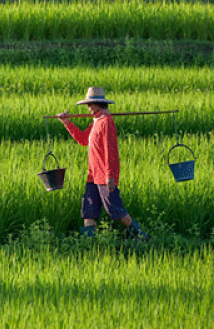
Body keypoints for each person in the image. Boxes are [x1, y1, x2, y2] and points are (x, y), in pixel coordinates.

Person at [57, 87, 148, 240]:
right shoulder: (96, 122)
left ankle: (141, 236)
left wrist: (110, 176)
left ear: (97, 105)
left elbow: (110, 151)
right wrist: (67, 123)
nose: (88, 108)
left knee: (115, 209)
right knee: (89, 211)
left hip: (104, 177)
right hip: (92, 176)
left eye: (89, 105)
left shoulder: (106, 122)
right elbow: (83, 140)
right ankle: (88, 244)